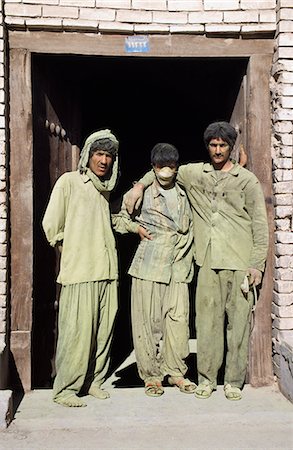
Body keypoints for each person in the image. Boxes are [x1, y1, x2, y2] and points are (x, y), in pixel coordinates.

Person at [125, 122, 269, 401]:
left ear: (231, 147)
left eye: (223, 146)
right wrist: (139, 186)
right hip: (206, 261)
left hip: (239, 261)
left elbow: (260, 226)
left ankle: (233, 381)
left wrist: (256, 264)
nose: (217, 150)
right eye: (213, 145)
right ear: (208, 147)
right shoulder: (195, 173)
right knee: (206, 324)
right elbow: (162, 170)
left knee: (237, 325)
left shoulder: (246, 180)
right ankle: (206, 379)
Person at [42, 129, 146, 407]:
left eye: (109, 156)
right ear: (87, 155)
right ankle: (65, 389)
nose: (104, 160)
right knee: (77, 333)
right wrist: (71, 252)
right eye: (99, 154)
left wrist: (134, 226)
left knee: (103, 332)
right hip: (80, 271)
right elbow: (51, 225)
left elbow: (109, 222)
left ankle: (93, 381)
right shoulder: (69, 182)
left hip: (107, 271)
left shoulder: (106, 189)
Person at [118, 143, 195, 397]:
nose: (165, 172)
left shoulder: (186, 192)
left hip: (179, 265)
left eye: (170, 167)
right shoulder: (140, 194)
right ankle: (151, 376)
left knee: (178, 322)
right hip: (149, 265)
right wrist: (134, 229)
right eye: (160, 167)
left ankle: (176, 373)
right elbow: (118, 219)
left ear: (177, 167)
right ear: (153, 167)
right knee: (147, 324)